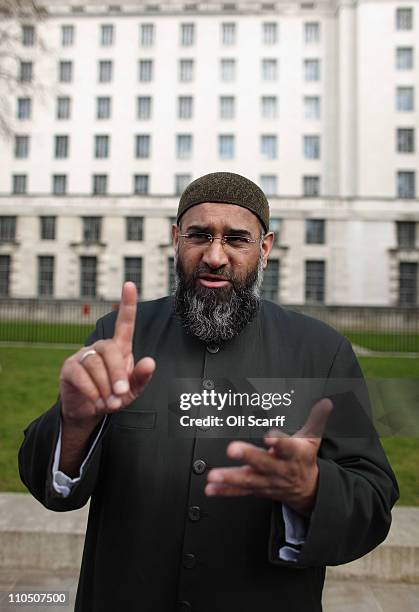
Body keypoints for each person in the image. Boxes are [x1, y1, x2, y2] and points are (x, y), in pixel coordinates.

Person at [19, 172, 399, 612]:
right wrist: (76, 422)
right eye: (199, 236)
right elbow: (47, 485)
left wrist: (313, 489)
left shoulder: (322, 351)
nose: (215, 256)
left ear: (266, 248)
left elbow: (372, 497)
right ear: (176, 240)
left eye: (236, 239)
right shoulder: (119, 335)